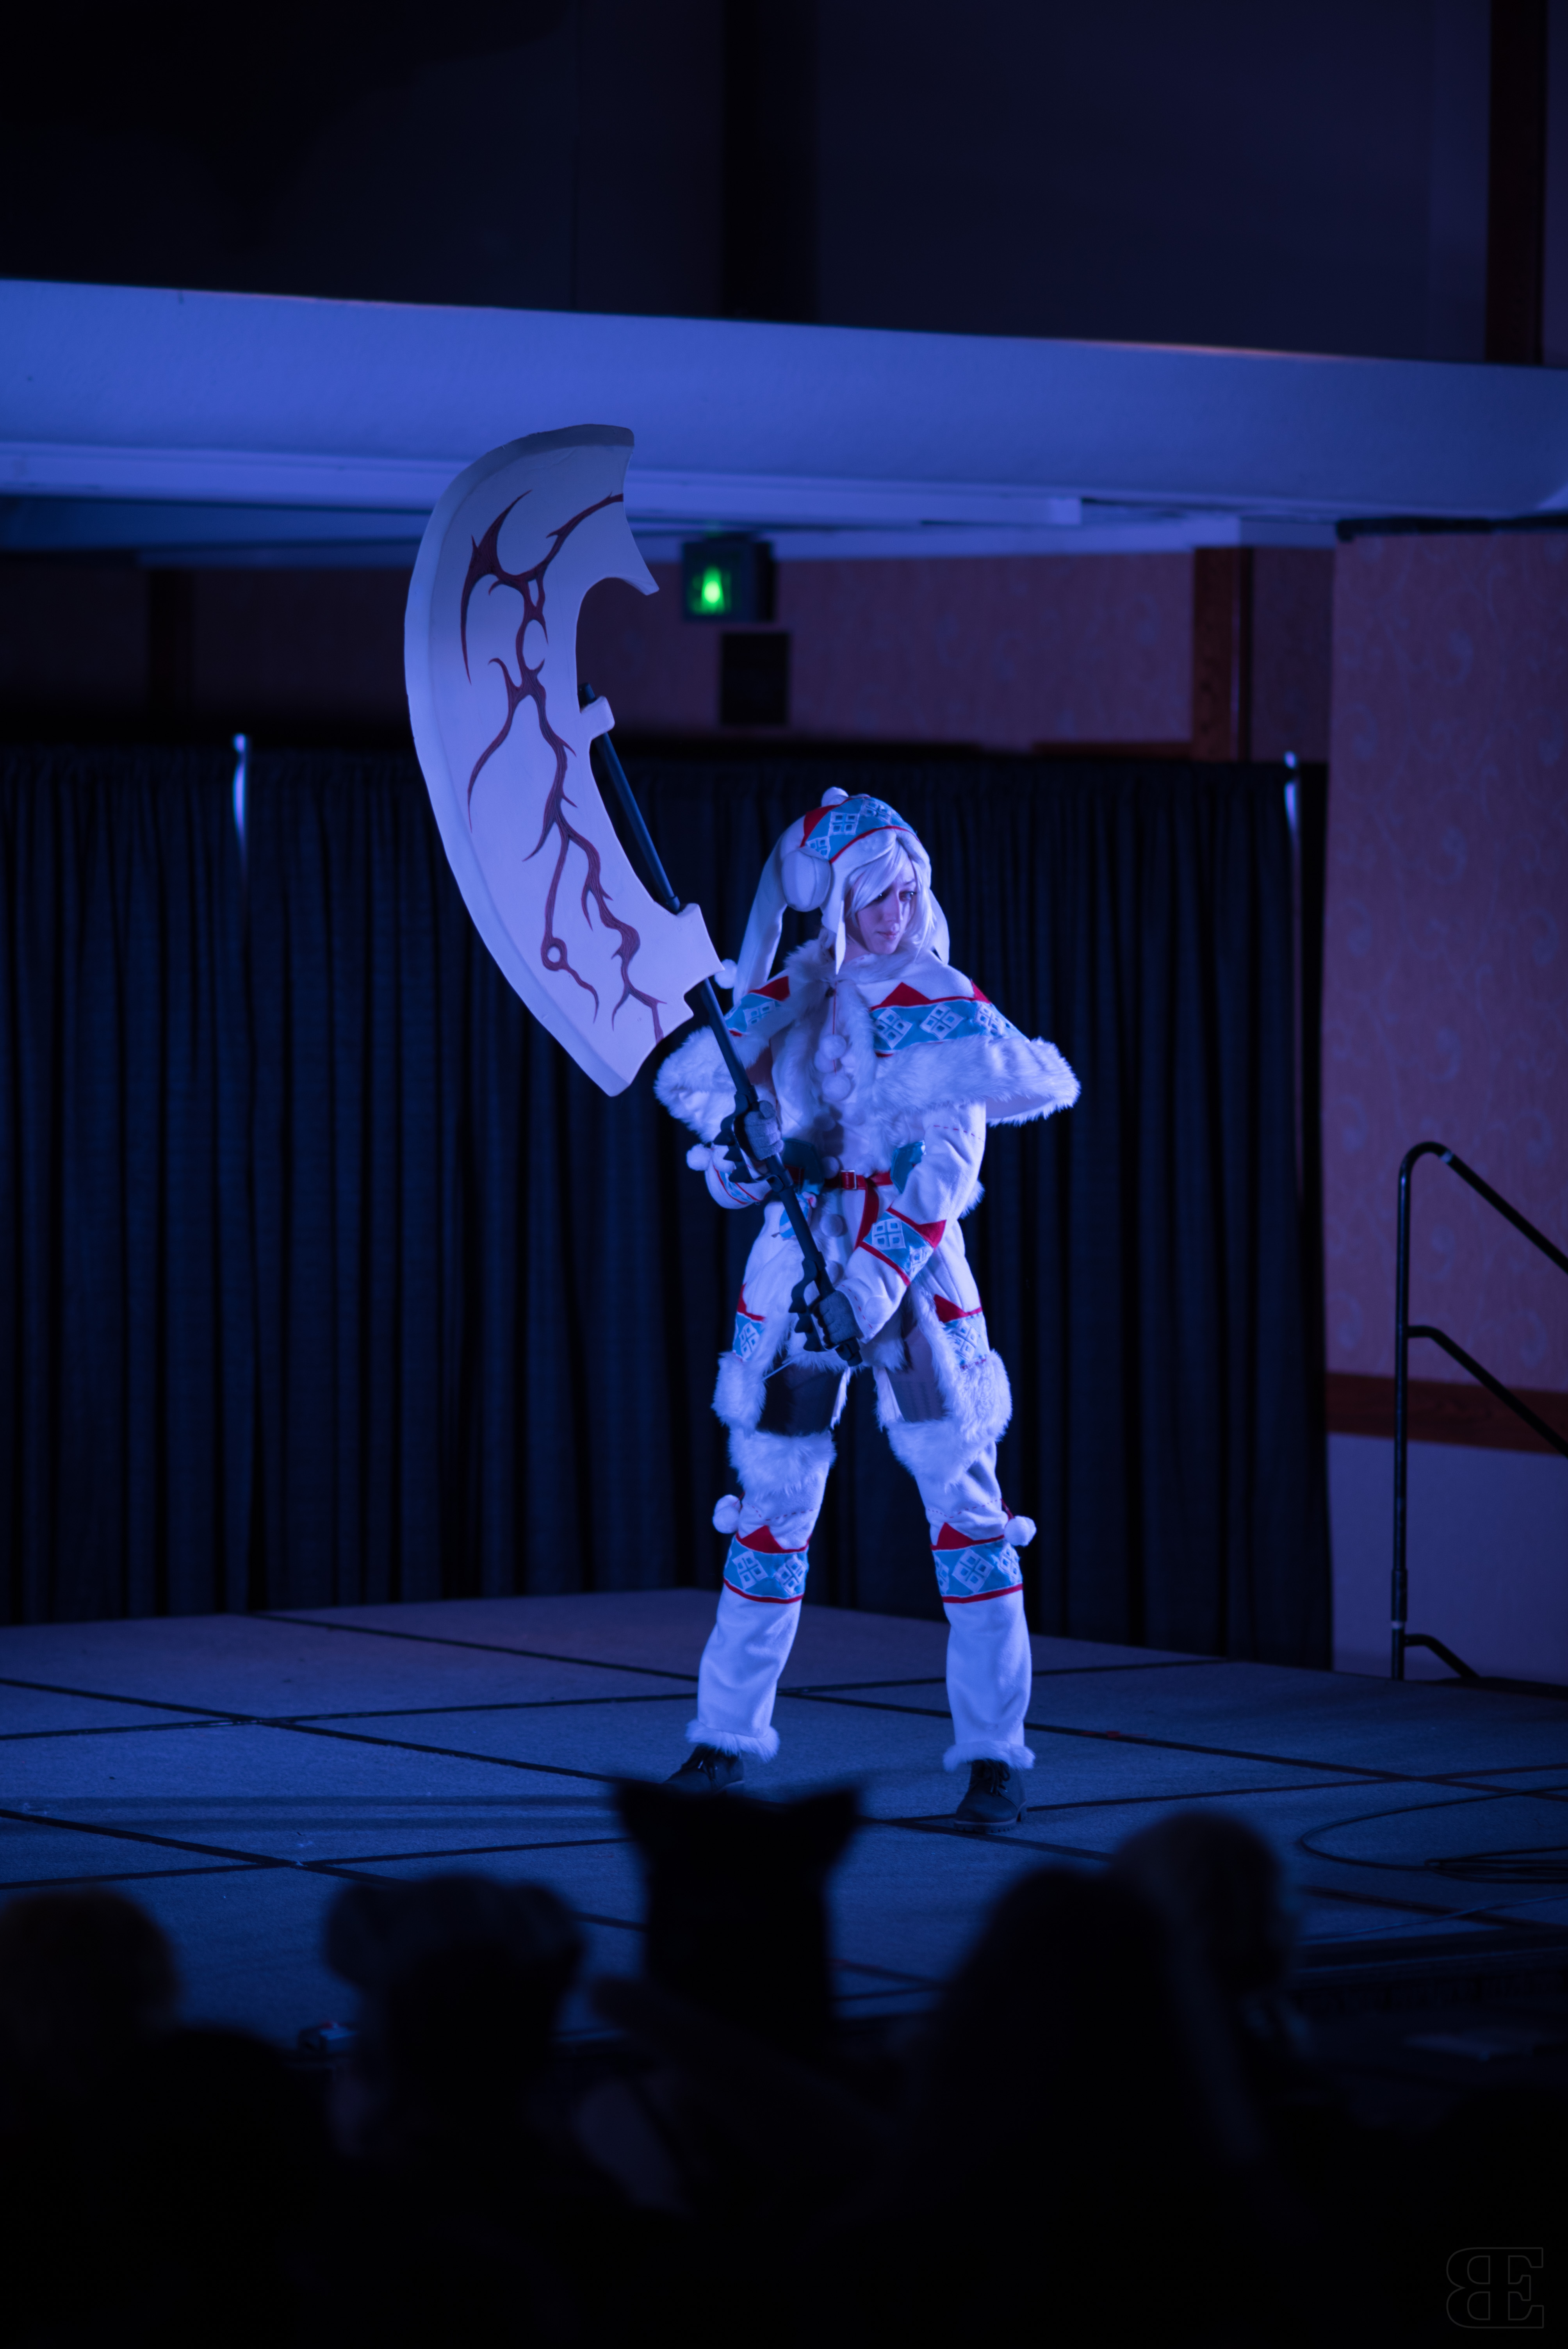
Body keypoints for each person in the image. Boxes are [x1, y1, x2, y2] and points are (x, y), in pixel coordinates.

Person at [656, 790, 1079, 1827]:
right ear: (839, 903)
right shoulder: (791, 999)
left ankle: (995, 1756)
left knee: (968, 1514)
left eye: (907, 892)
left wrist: (867, 1287)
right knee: (771, 1511)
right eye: (876, 897)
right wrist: (755, 1156)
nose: (896, 913)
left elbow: (945, 1172)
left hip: (909, 1280)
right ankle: (722, 1739)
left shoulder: (940, 999)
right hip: (800, 1277)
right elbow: (746, 1170)